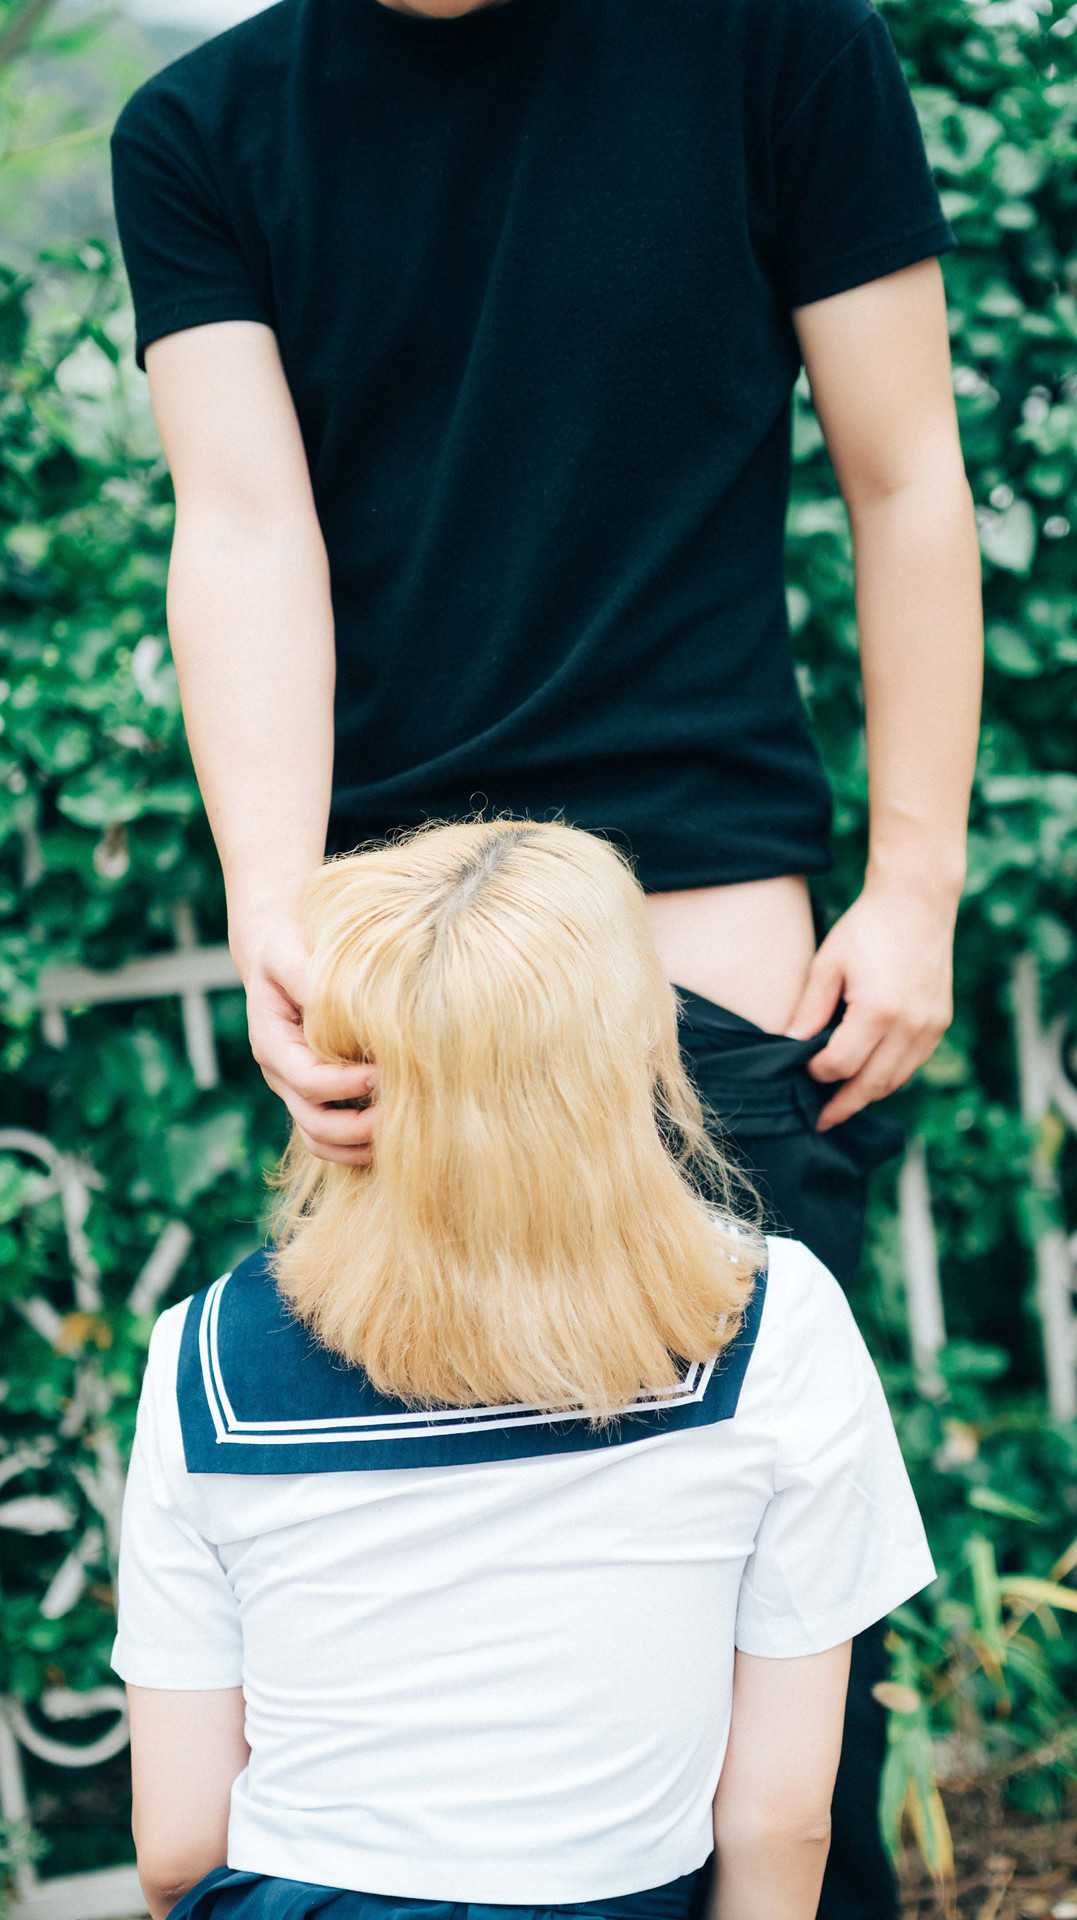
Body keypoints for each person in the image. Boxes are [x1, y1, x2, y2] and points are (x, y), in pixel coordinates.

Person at [107, 1, 983, 1912]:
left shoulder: (776, 45)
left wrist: (917, 883)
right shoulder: (201, 130)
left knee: (792, 1727)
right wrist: (274, 915)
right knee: (418, 1711)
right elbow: (242, 525)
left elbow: (908, 469)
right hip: (392, 1019)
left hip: (703, 1006)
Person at [111, 817, 937, 1920]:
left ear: (332, 1065)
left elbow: (176, 1850)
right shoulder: (763, 1318)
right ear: (642, 1045)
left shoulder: (205, 1356)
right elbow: (780, 1823)